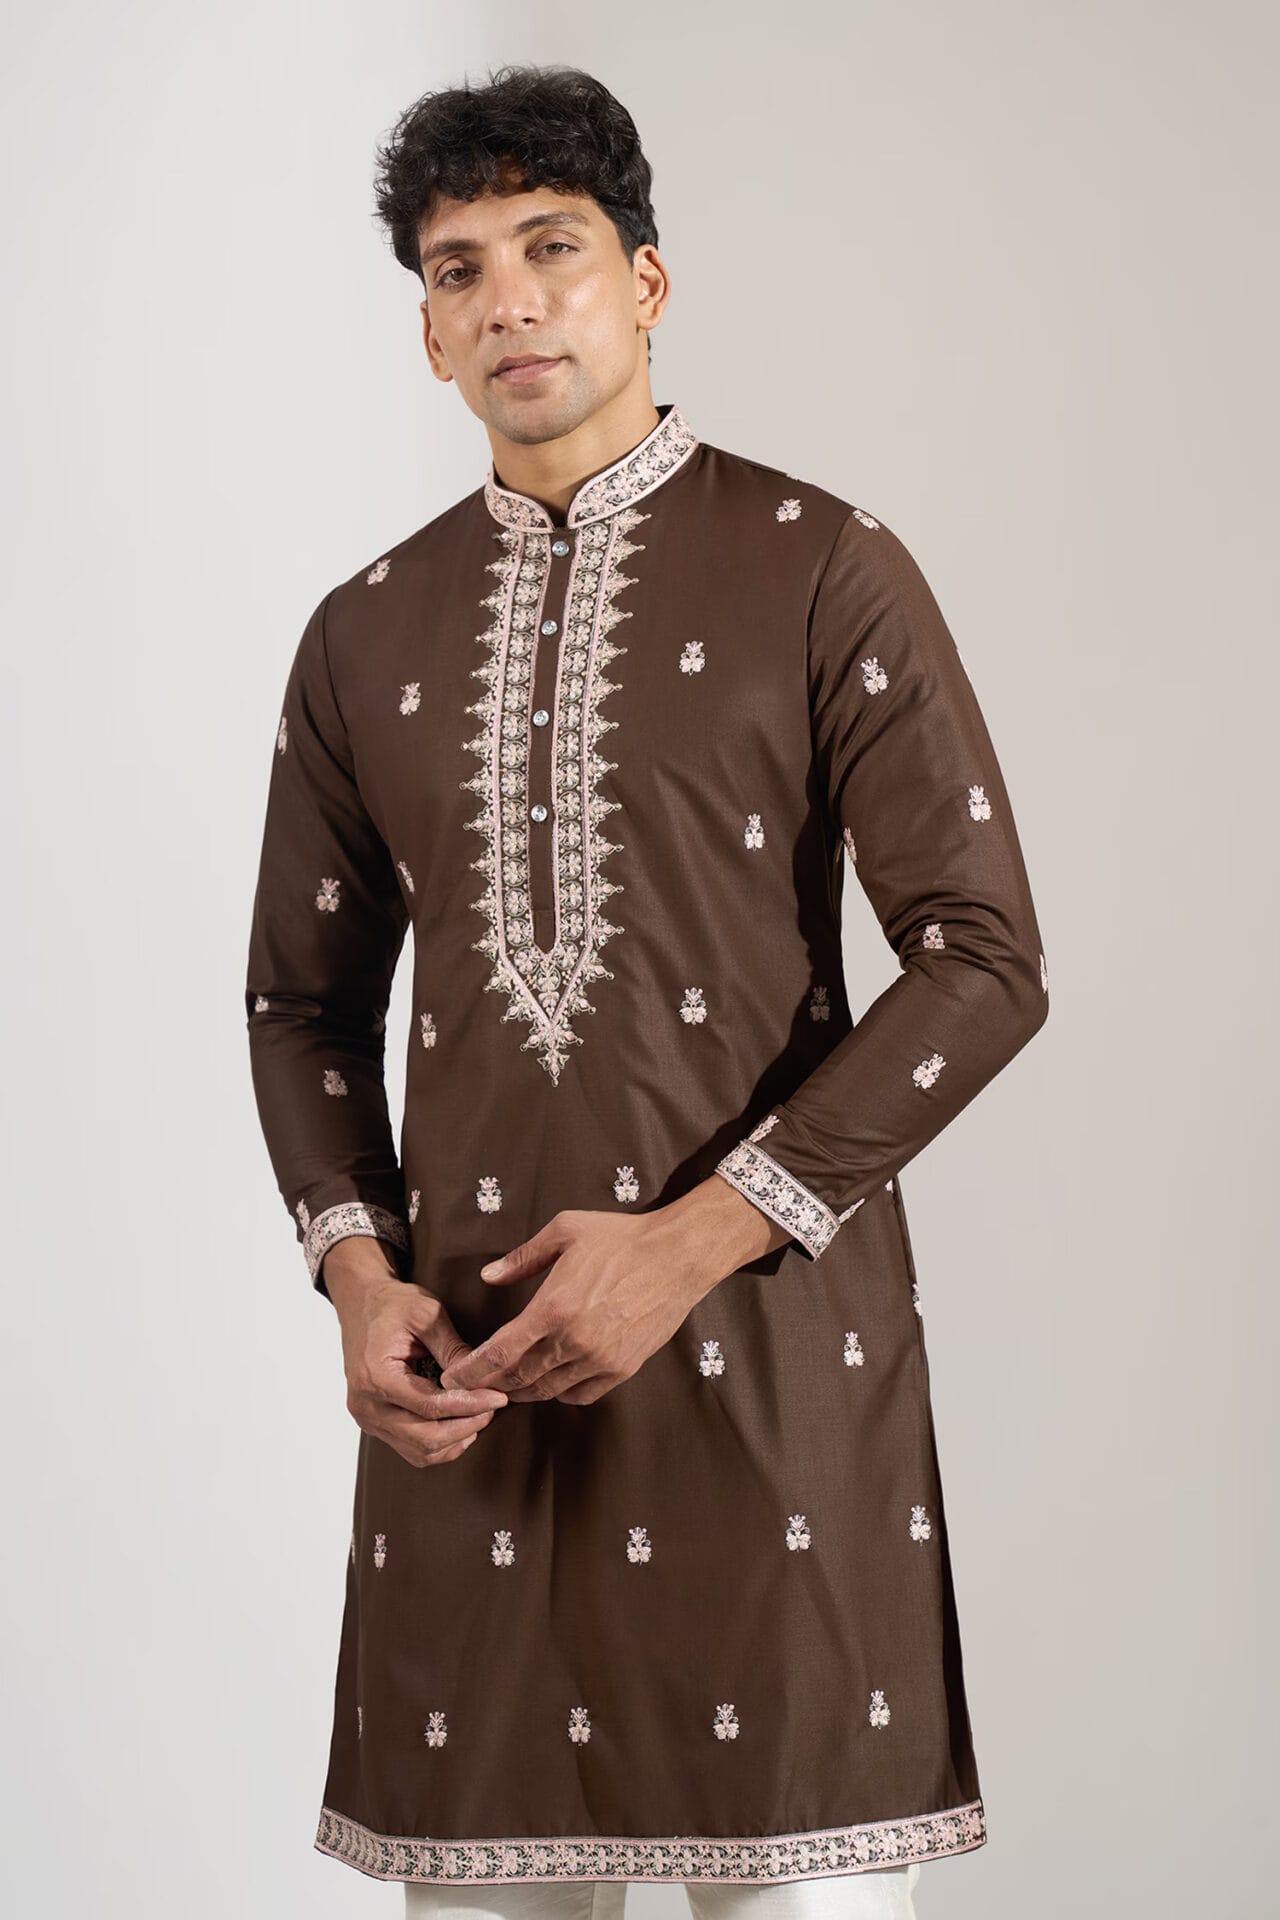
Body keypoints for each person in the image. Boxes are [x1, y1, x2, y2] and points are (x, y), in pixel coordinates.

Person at [244, 61, 1049, 1918]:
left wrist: (690, 1242)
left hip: (773, 1381)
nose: (509, 301)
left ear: (648, 282)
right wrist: (358, 1283)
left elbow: (985, 959)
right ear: (428, 333)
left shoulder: (822, 566)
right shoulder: (363, 633)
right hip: (473, 1401)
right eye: (459, 271)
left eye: (553, 247)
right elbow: (300, 1008)